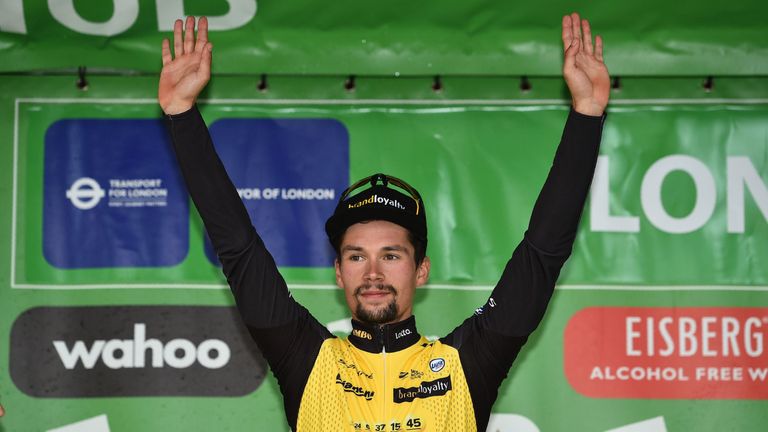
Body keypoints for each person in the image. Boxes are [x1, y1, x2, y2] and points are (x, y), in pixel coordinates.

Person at [160, 12, 608, 431]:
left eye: (391, 255)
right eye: (357, 256)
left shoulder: (465, 366)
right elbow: (238, 249)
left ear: (421, 269)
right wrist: (182, 115)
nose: (372, 273)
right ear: (339, 272)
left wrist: (587, 116)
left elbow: (543, 254)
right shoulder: (308, 360)